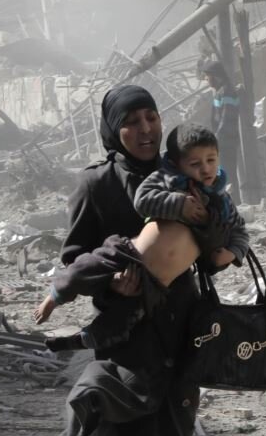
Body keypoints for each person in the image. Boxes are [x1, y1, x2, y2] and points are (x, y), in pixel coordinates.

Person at [38, 85, 202, 436]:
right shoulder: (97, 184)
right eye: (131, 122)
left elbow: (206, 245)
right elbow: (73, 257)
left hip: (183, 327)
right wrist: (111, 284)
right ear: (114, 130)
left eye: (151, 117)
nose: (146, 129)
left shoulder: (181, 173)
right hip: (130, 337)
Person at [34, 123, 249, 353]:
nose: (206, 169)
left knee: (123, 320)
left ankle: (80, 341)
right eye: (195, 164)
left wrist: (232, 253)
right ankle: (55, 297)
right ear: (176, 164)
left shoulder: (221, 200)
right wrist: (178, 204)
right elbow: (142, 200)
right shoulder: (169, 179)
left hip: (159, 283)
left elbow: (239, 231)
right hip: (127, 253)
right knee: (82, 270)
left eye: (211, 160)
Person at [200, 60, 241, 194]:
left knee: (227, 171)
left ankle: (233, 199)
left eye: (208, 76)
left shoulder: (227, 92)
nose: (206, 79)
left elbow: (227, 117)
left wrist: (217, 137)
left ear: (216, 76)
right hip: (223, 139)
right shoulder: (220, 91)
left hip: (227, 140)